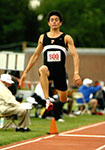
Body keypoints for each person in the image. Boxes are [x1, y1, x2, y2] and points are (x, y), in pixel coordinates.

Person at [19, 10, 82, 111]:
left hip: (60, 73)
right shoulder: (43, 38)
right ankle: (47, 99)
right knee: (42, 69)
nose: (54, 22)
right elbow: (35, 56)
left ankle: (58, 101)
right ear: (48, 23)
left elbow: (75, 55)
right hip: (48, 71)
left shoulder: (66, 38)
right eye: (52, 20)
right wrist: (25, 72)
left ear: (60, 23)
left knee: (63, 99)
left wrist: (76, 73)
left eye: (56, 20)